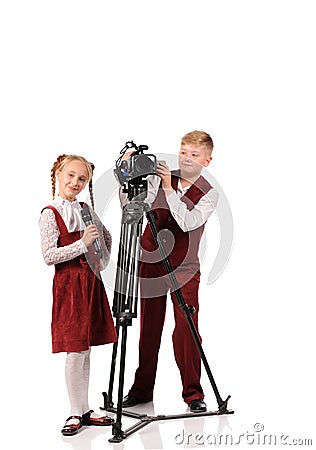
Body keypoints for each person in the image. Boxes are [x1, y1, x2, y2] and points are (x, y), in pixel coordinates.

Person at [119, 130, 219, 413]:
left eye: (194, 155)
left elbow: (187, 222)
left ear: (207, 160)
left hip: (184, 266)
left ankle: (193, 393)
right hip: (151, 260)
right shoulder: (160, 176)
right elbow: (134, 209)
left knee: (187, 329)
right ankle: (141, 390)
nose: (187, 158)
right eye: (184, 152)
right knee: (149, 326)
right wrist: (128, 178)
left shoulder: (210, 194)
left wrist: (168, 188)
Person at [39, 154, 117, 436]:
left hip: (90, 284)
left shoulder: (85, 209)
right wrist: (83, 245)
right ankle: (74, 411)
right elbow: (49, 256)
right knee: (74, 349)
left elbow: (106, 236)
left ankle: (85, 409)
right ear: (58, 174)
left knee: (85, 348)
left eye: (82, 178)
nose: (75, 182)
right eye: (70, 175)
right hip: (69, 287)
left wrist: (102, 261)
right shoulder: (50, 213)